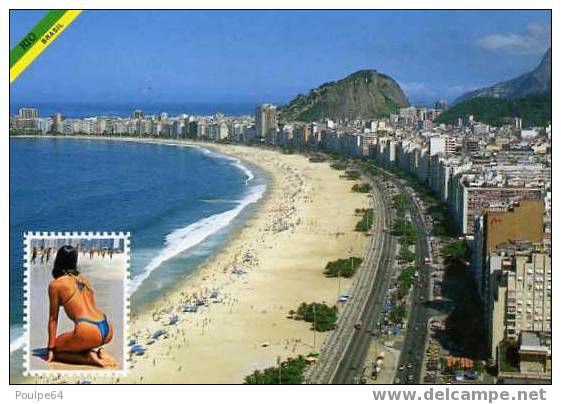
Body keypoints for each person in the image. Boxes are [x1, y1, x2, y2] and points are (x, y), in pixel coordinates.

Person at [46, 245, 116, 368]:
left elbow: (53, 318)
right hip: (107, 328)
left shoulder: (55, 285)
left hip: (88, 329)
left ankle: (89, 358)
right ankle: (99, 351)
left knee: (57, 348)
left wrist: (50, 349)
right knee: (79, 341)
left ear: (58, 260)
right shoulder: (84, 280)